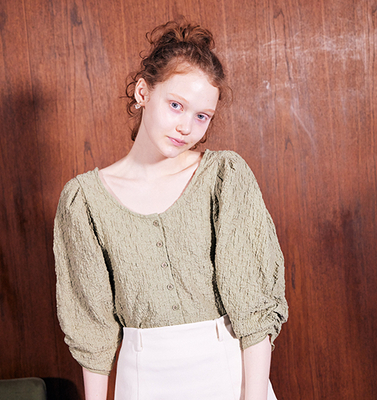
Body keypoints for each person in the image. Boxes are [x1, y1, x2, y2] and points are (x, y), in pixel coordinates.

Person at [54, 20, 288, 400]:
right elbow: (91, 327)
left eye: (201, 116)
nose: (186, 127)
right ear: (143, 92)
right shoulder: (85, 201)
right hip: (141, 381)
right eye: (176, 105)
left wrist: (255, 397)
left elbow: (254, 309)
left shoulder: (224, 178)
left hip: (231, 375)